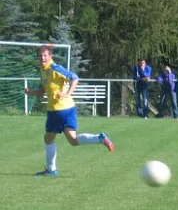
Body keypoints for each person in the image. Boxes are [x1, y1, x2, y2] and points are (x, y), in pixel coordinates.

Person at [25, 45, 114, 176]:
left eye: (45, 55)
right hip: (67, 109)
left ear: (50, 56)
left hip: (58, 110)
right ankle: (99, 138)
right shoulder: (43, 70)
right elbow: (43, 91)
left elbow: (74, 77)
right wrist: (31, 92)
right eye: (40, 56)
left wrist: (67, 93)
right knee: (73, 140)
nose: (42, 58)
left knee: (48, 138)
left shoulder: (54, 68)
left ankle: (51, 170)